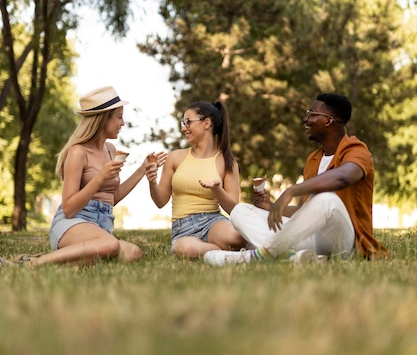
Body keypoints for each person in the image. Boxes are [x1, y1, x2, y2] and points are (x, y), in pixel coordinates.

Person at [204, 92, 388, 266]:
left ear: (328, 121)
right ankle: (291, 256)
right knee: (240, 211)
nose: (306, 120)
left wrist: (292, 190)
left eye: (311, 114)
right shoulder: (313, 159)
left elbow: (343, 177)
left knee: (326, 199)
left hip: (345, 241)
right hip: (312, 239)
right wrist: (270, 207)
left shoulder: (356, 150)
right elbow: (303, 211)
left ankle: (258, 255)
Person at [1, 86, 167, 268]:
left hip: (102, 226)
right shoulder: (78, 152)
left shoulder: (111, 150)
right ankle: (32, 264)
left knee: (133, 253)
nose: (123, 123)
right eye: (119, 117)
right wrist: (100, 178)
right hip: (72, 222)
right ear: (103, 119)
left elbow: (114, 197)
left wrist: (142, 169)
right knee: (111, 245)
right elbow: (69, 208)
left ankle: (59, 258)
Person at [145, 100, 246, 258]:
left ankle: (223, 251)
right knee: (184, 249)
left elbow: (234, 209)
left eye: (188, 122)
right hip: (183, 227)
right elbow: (160, 202)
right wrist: (152, 183)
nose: (183, 128)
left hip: (213, 222)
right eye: (183, 122)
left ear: (206, 123)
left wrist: (217, 190)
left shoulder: (227, 161)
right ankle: (232, 254)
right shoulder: (175, 157)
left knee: (238, 237)